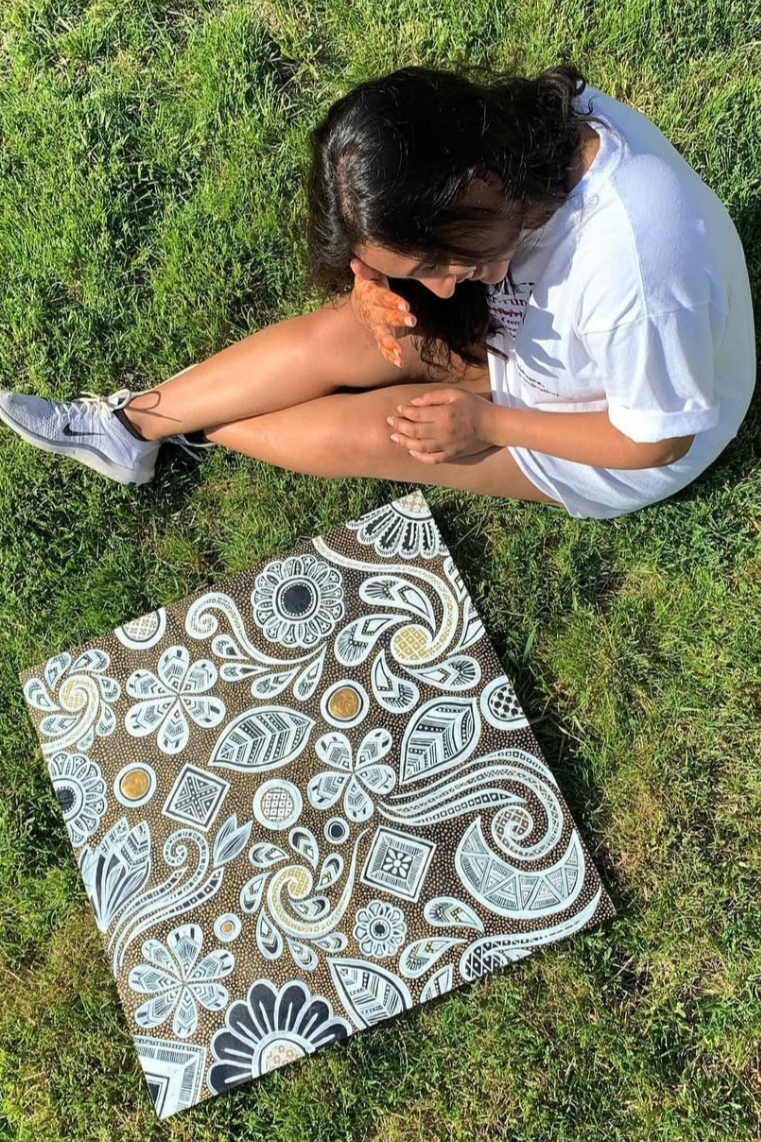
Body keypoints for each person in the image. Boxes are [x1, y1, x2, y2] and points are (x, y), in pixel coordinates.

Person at [0, 63, 755, 517]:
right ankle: (127, 428)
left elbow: (657, 438)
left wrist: (491, 426)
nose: (434, 290)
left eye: (434, 264)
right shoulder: (513, 141)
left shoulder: (638, 268)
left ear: (477, 187)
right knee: (346, 334)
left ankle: (193, 423)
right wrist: (371, 291)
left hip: (601, 425)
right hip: (544, 348)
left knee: (379, 435)